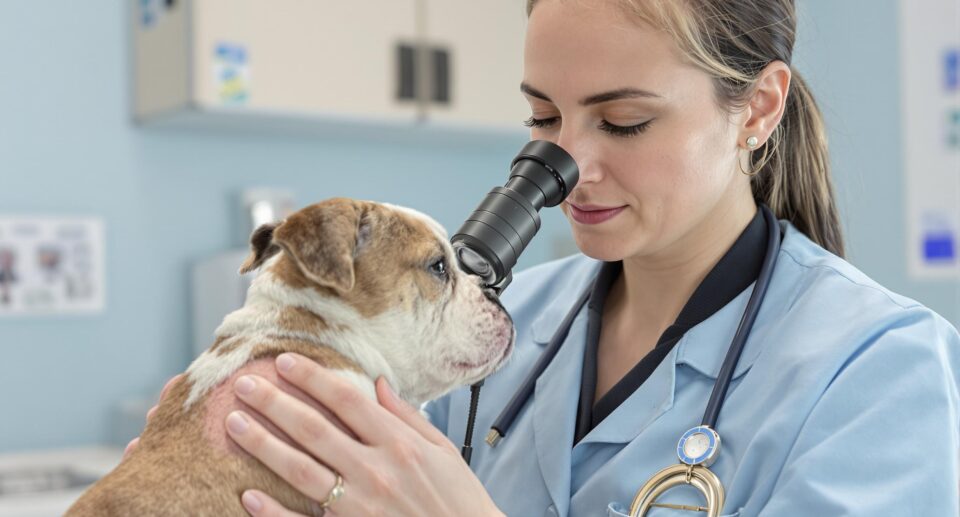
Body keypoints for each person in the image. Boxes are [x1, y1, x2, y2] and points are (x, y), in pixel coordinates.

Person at [128, 0, 960, 515]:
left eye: (624, 121)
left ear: (758, 108)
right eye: (541, 118)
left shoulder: (878, 370)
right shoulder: (495, 328)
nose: (569, 171)